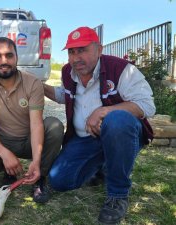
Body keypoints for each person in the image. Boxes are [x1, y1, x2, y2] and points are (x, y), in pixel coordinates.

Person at [43, 27, 155, 224]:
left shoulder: (121, 69)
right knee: (58, 180)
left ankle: (118, 194)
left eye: (82, 50)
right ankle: (103, 165)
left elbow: (146, 105)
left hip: (119, 133)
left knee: (117, 120)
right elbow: (64, 95)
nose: (76, 58)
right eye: (71, 51)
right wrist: (38, 86)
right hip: (86, 139)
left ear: (99, 49)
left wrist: (102, 111)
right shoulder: (68, 71)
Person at [0, 37, 64, 203]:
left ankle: (40, 177)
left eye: (9, 55)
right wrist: (5, 154)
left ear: (16, 58)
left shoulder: (33, 83)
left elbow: (36, 125)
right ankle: (9, 171)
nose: (3, 61)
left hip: (29, 140)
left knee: (54, 126)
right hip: (4, 141)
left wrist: (35, 161)